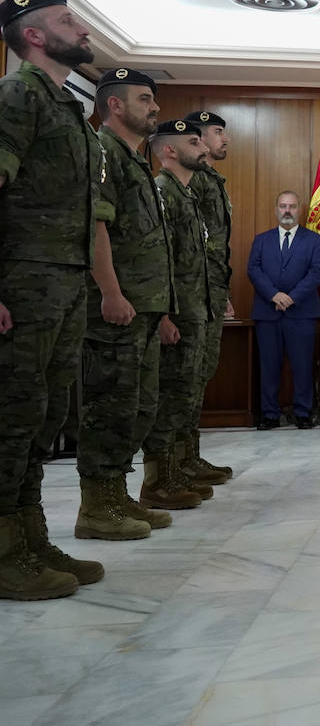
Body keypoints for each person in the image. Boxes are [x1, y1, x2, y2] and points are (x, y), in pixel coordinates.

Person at [0, 0, 105, 600]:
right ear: (34, 34)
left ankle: (31, 539)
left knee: (42, 418)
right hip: (24, 282)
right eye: (68, 20)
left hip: (62, 284)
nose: (83, 28)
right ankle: (7, 551)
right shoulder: (17, 95)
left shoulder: (62, 103)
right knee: (11, 421)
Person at [75, 69, 174, 541]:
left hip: (143, 310)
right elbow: (95, 227)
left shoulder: (134, 162)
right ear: (115, 105)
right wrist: (111, 292)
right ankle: (96, 508)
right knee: (109, 409)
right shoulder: (104, 153)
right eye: (144, 99)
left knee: (136, 408)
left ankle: (116, 497)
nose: (154, 108)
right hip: (116, 309)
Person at [140, 119, 216, 511]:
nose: (203, 147)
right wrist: (166, 314)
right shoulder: (163, 192)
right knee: (169, 395)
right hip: (176, 312)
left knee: (186, 392)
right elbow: (160, 258)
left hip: (194, 308)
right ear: (169, 150)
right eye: (193, 141)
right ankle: (159, 480)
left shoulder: (186, 194)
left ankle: (177, 469)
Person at [247, 191, 320, 430]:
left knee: (302, 366)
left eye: (291, 206)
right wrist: (274, 295)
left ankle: (303, 413)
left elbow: (315, 273)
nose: (287, 211)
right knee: (269, 366)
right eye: (283, 206)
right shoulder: (261, 240)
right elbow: (254, 270)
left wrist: (291, 298)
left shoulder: (313, 240)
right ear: (276, 209)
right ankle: (270, 414)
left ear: (299, 209)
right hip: (268, 313)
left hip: (301, 313)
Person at [188, 111, 235, 481]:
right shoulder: (191, 181)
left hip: (210, 289)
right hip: (192, 292)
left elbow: (215, 247)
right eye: (218, 132)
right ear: (197, 137)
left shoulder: (211, 179)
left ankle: (188, 456)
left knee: (200, 373)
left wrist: (222, 292)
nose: (225, 139)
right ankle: (175, 464)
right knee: (186, 376)